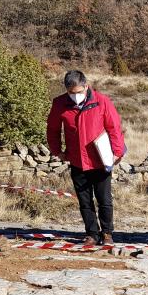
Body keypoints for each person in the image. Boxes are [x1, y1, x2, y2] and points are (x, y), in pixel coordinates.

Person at [47, 70, 125, 246]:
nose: (75, 96)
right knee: (84, 201)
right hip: (76, 160)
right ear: (66, 90)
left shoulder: (102, 101)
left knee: (104, 199)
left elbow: (114, 127)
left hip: (100, 160)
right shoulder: (59, 103)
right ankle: (92, 233)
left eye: (78, 92)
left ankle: (107, 233)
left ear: (86, 86)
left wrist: (117, 153)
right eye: (71, 93)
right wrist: (57, 150)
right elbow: (52, 129)